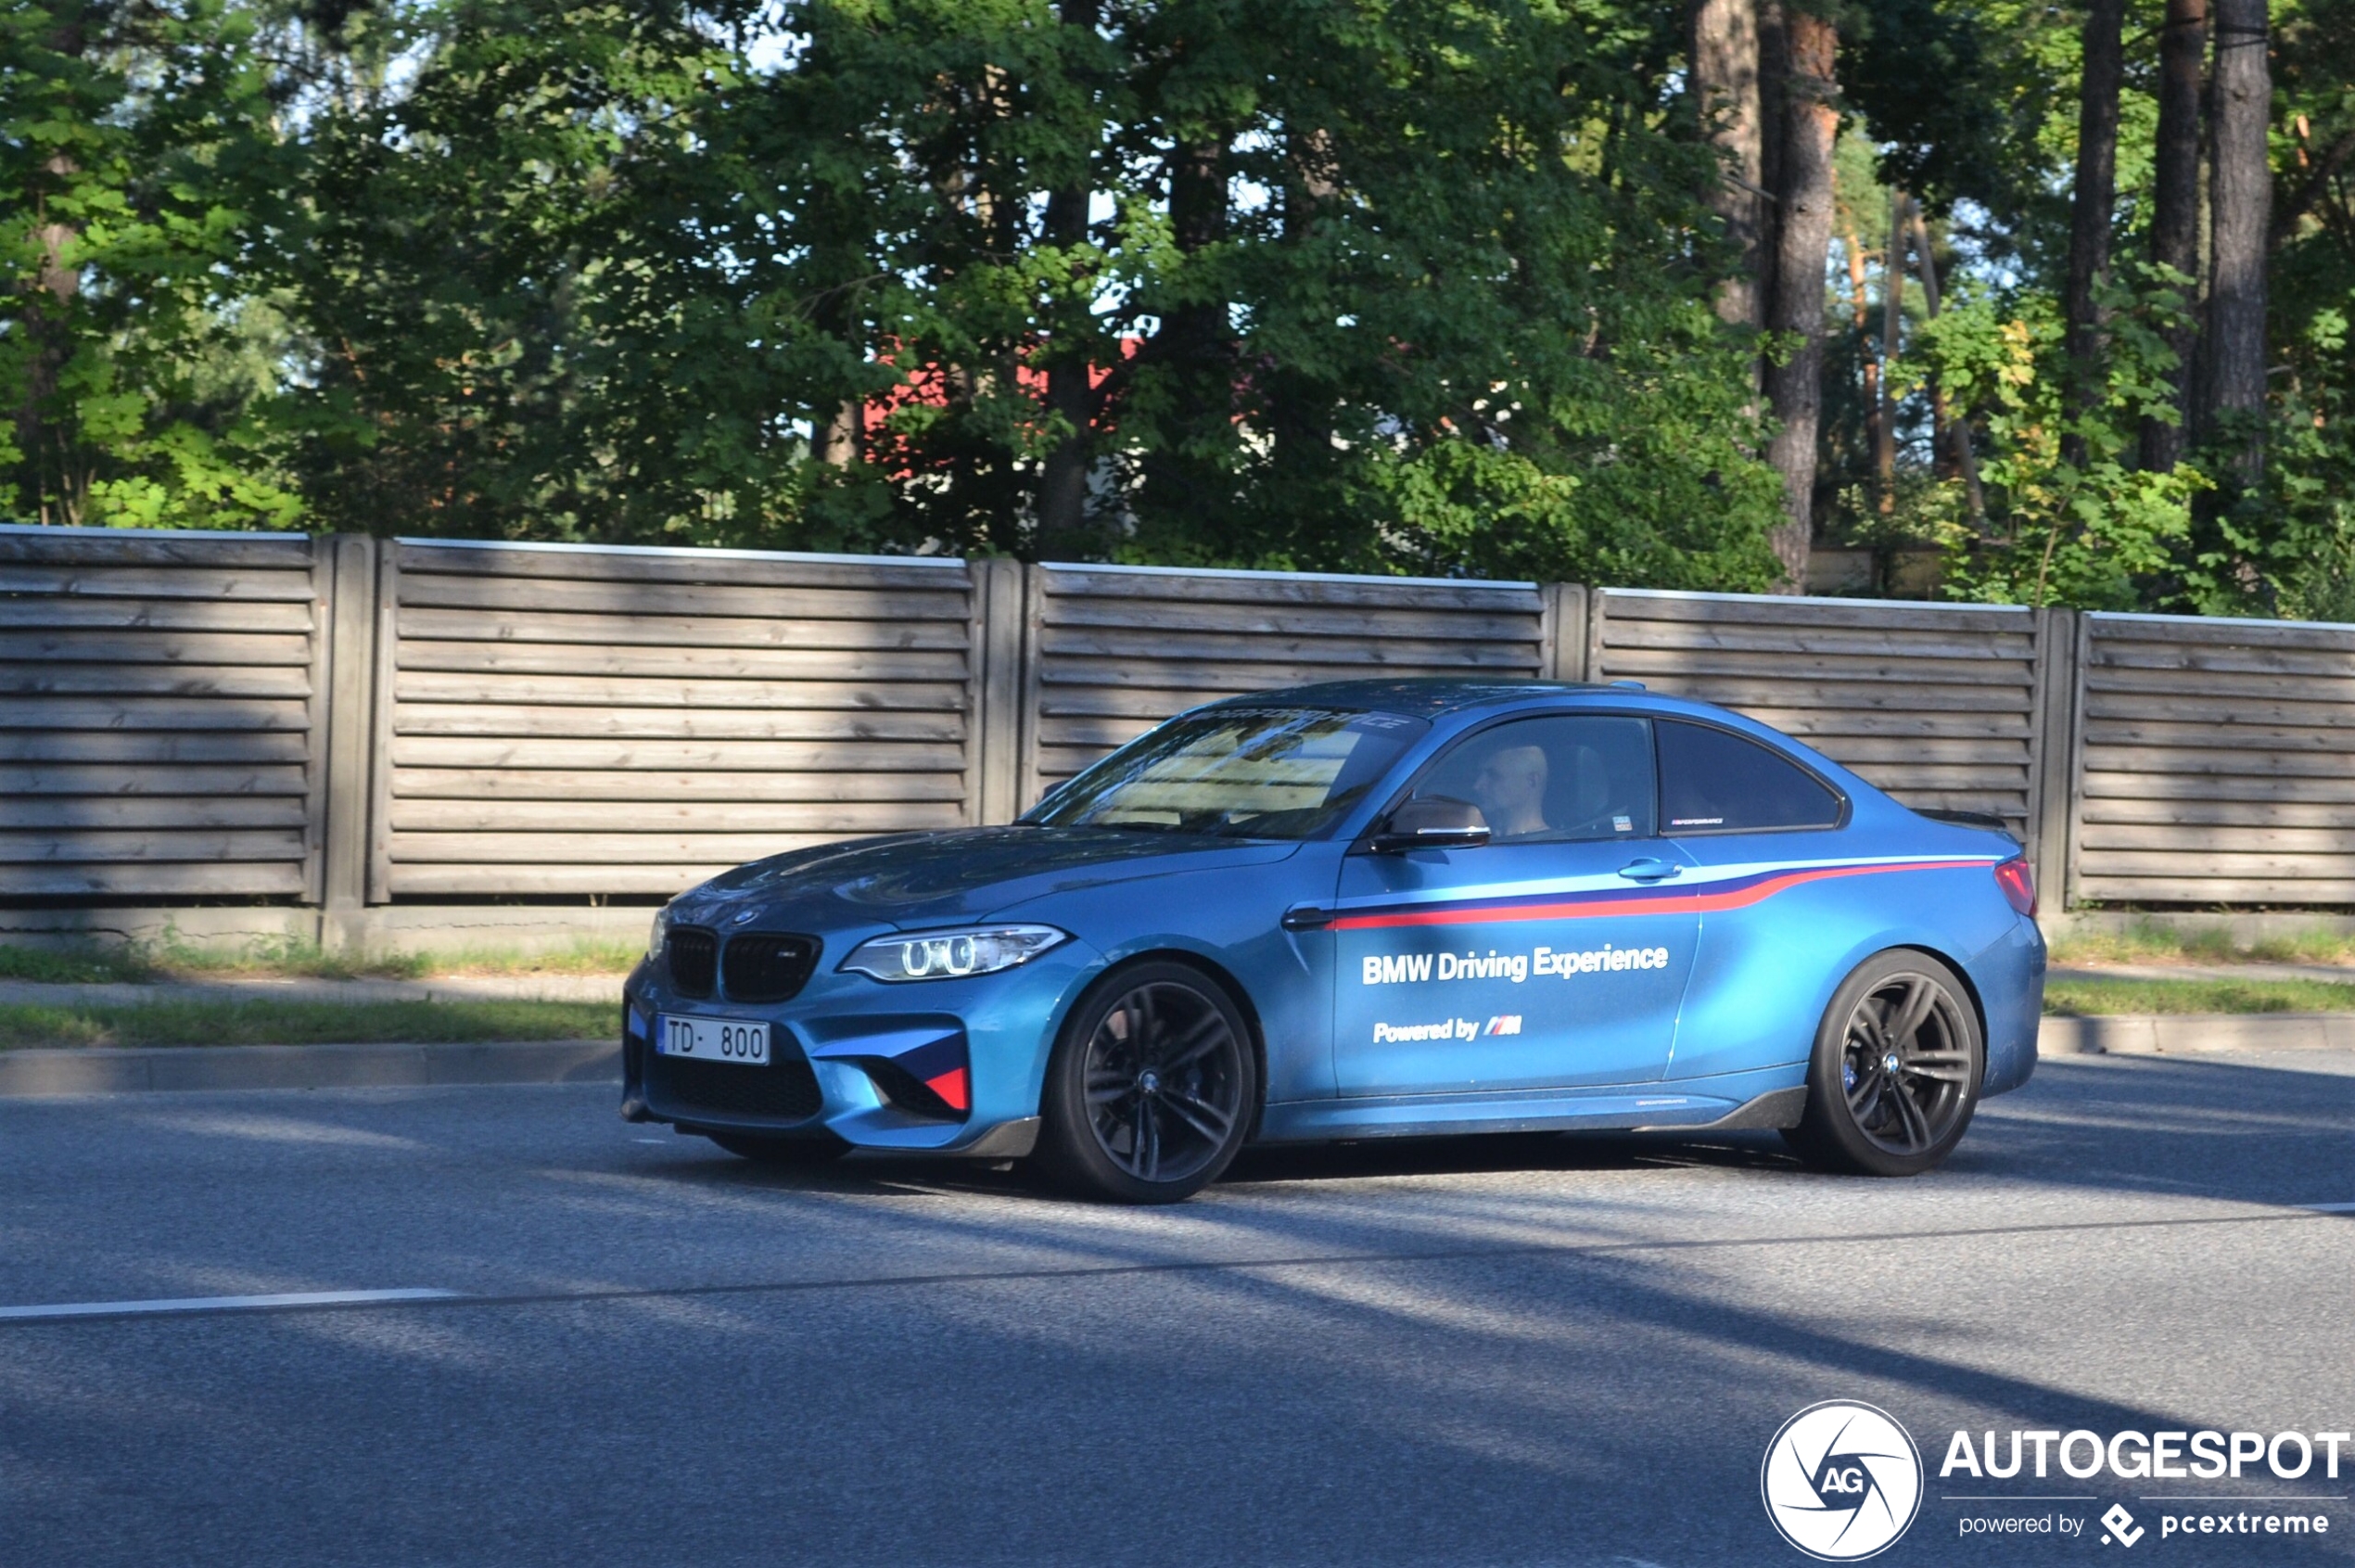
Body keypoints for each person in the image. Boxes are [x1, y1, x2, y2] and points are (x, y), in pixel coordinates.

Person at [1470, 743, 1550, 838]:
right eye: (1480, 775)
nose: (1477, 785)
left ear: (1531, 781)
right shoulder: (1476, 842)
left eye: (1494, 776)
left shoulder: (1555, 849)